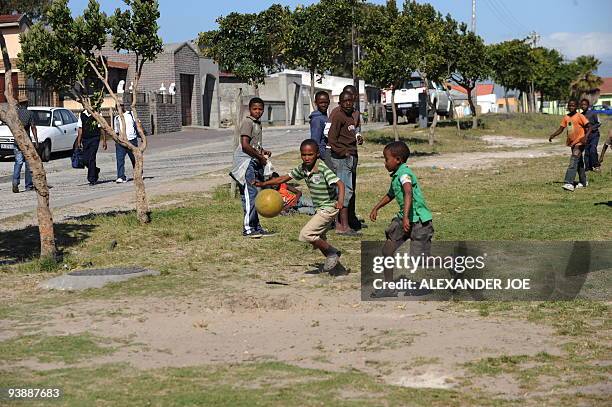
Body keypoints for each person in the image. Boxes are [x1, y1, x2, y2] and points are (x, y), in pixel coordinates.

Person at [255, 139, 345, 272]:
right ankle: (336, 267)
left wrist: (341, 201)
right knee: (318, 239)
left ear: (317, 154)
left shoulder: (322, 167)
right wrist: (263, 184)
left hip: (329, 207)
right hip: (319, 209)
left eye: (310, 154)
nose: (307, 158)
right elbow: (283, 178)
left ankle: (332, 253)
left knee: (306, 234)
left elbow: (340, 184)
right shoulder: (302, 168)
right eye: (304, 155)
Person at [369, 141, 434, 297]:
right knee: (387, 250)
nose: (385, 163)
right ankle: (389, 287)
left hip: (419, 221)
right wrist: (376, 207)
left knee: (421, 261)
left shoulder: (405, 174)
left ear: (397, 160)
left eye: (386, 159)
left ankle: (452, 262)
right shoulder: (396, 176)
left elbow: (408, 193)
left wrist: (406, 217)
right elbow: (391, 194)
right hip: (403, 220)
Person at [229, 97, 273, 238]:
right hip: (246, 164)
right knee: (251, 195)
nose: (258, 111)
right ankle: (248, 228)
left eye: (260, 109)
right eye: (255, 109)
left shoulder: (257, 123)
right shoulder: (248, 122)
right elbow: (245, 145)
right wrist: (260, 158)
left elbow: (254, 145)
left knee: (253, 196)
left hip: (253, 162)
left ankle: (256, 226)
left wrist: (262, 152)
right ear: (250, 109)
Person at [325, 91, 360, 235]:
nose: (347, 103)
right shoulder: (338, 115)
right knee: (344, 192)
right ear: (340, 102)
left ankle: (342, 224)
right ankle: (343, 227)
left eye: (350, 101)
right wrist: (342, 152)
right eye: (344, 101)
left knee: (346, 191)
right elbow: (331, 138)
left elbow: (349, 134)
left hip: (349, 156)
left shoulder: (350, 115)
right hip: (341, 159)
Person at [548, 100, 591, 191]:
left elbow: (589, 127)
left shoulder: (580, 116)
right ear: (567, 106)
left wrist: (585, 137)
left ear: (576, 107)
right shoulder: (566, 117)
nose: (571, 107)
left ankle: (569, 183)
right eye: (570, 106)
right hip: (572, 143)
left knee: (574, 160)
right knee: (579, 163)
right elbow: (561, 129)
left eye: (573, 105)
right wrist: (553, 135)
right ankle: (583, 182)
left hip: (580, 142)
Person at [12, 95, 38, 193]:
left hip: (17, 141)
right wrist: (35, 140)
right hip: (26, 142)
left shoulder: (15, 113)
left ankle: (15, 182)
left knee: (18, 162)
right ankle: (28, 185)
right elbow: (33, 127)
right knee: (28, 164)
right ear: (26, 103)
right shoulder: (29, 113)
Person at [76, 107, 107, 186]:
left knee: (92, 158)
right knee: (85, 160)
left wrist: (104, 141)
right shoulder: (82, 114)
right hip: (85, 139)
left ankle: (92, 179)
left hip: (95, 138)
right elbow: (80, 129)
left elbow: (101, 128)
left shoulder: (97, 114)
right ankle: (95, 170)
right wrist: (78, 141)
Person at [113, 104, 140, 183]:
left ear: (123, 106)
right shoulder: (116, 118)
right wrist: (117, 140)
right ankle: (121, 176)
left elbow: (138, 125)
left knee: (134, 158)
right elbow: (116, 131)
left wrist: (141, 136)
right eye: (117, 107)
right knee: (120, 159)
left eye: (121, 106)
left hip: (131, 140)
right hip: (121, 141)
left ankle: (138, 173)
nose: (119, 108)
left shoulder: (130, 114)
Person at [580, 99, 601, 172]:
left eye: (585, 104)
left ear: (588, 105)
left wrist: (592, 128)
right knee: (587, 152)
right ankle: (588, 168)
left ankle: (596, 165)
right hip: (586, 136)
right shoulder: (581, 115)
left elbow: (599, 123)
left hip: (594, 135)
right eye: (582, 105)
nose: (583, 106)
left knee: (592, 150)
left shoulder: (593, 113)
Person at [309, 91, 330, 162]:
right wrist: (324, 156)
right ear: (316, 103)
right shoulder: (317, 120)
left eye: (326, 102)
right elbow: (315, 141)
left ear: (329, 102)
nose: (324, 105)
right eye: (321, 103)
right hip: (324, 155)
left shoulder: (325, 117)